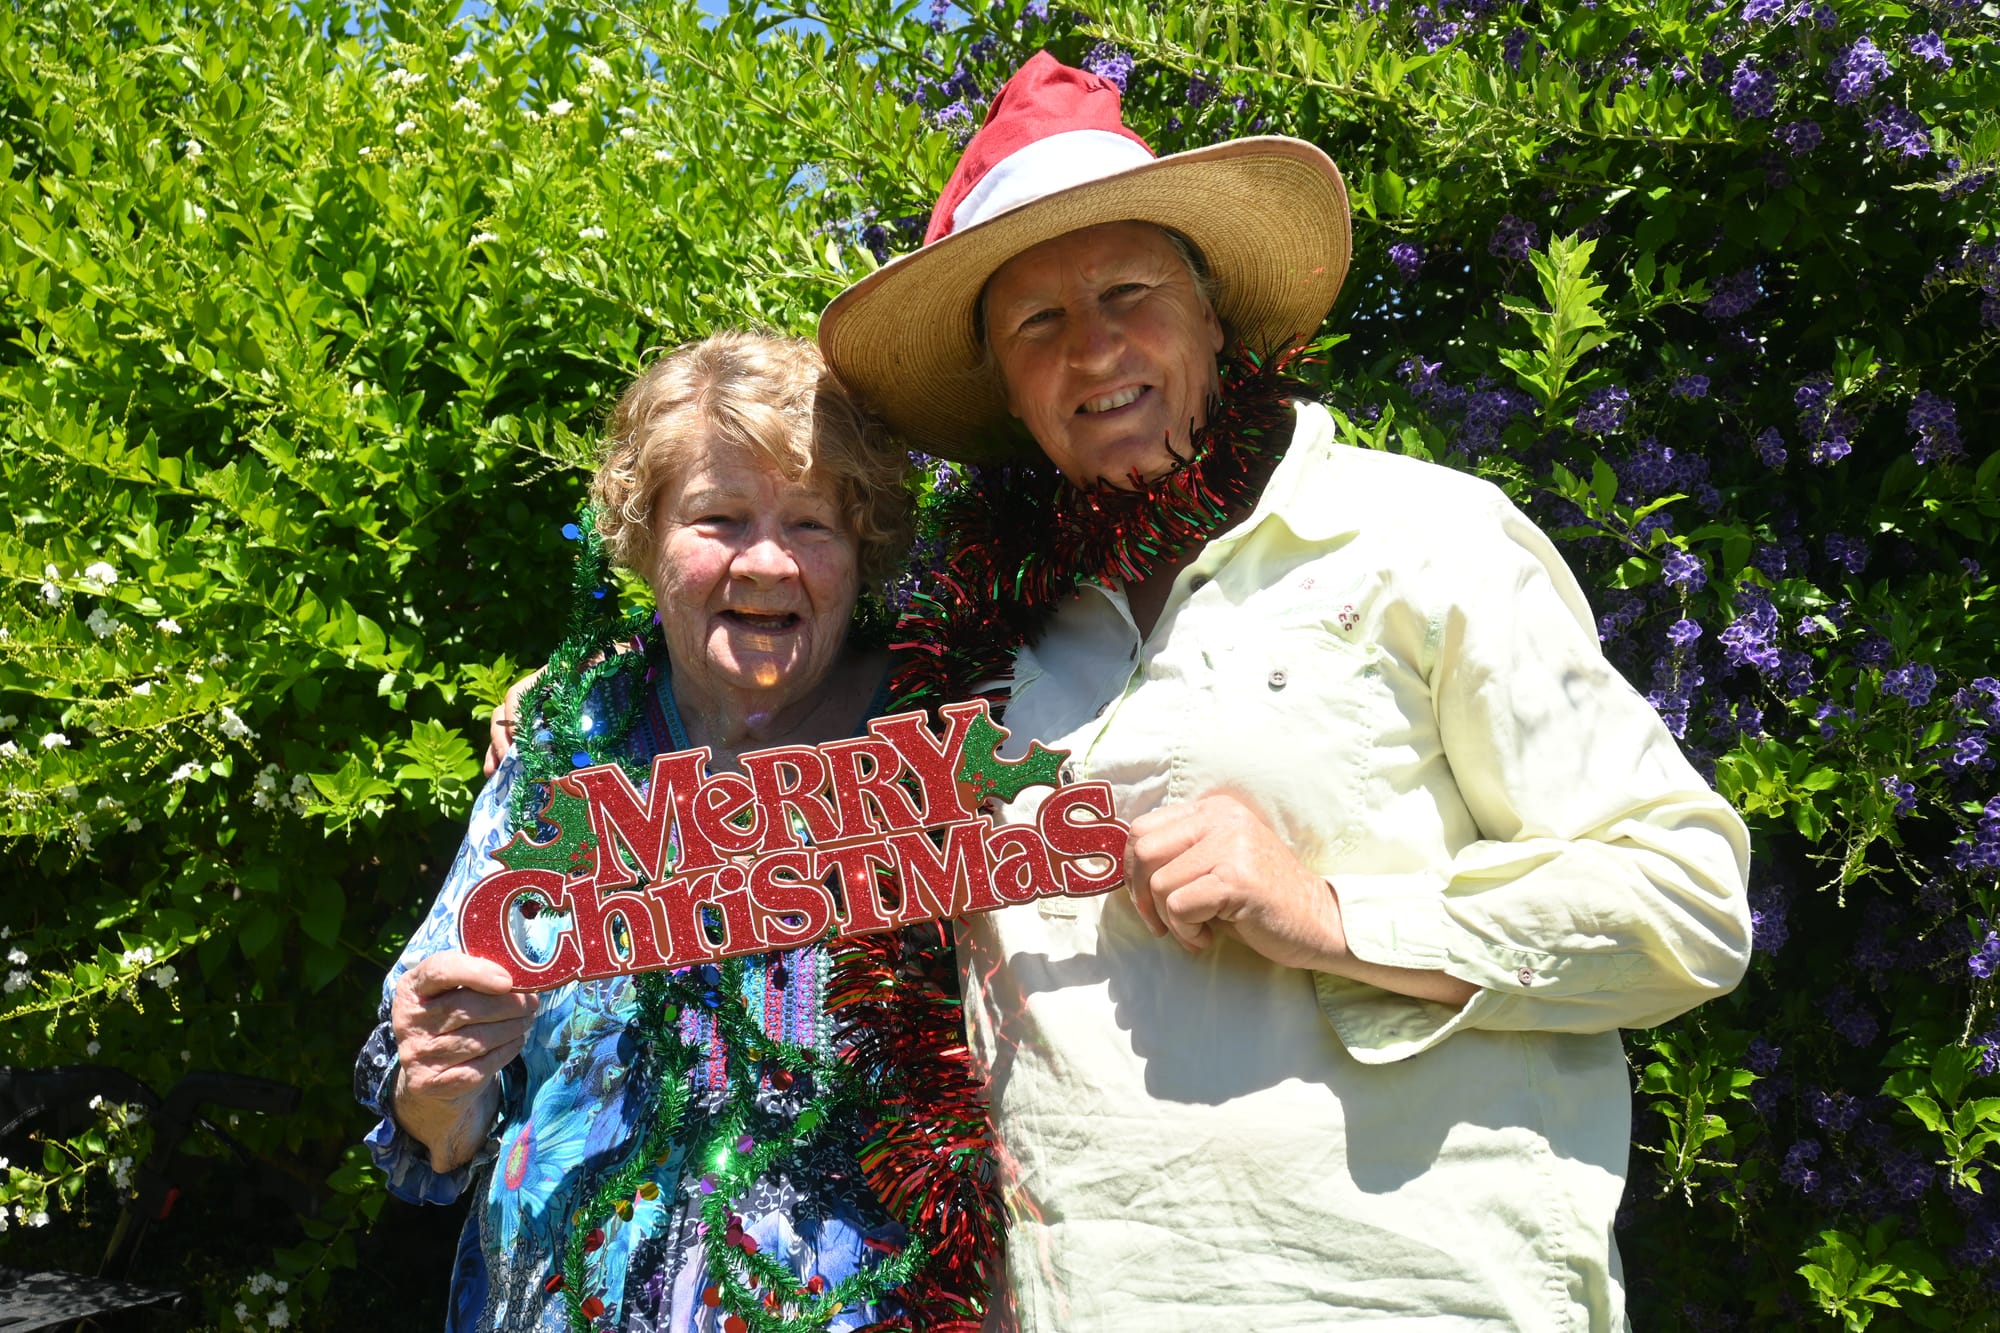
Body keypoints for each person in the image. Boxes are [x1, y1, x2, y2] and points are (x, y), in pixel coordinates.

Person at [814, 53, 1753, 1331]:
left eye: (1127, 292)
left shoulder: (1419, 538)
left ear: (1211, 318)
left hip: (1408, 1300)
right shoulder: (964, 657)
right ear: (1005, 391)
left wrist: (1328, 913)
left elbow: (1685, 900)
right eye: (1033, 323)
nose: (1092, 347)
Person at [355, 332, 920, 1331]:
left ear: (862, 545)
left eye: (810, 522)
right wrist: (440, 1088)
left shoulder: (936, 749)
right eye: (718, 518)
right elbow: (434, 1123)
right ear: (645, 535)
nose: (767, 560)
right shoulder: (567, 746)